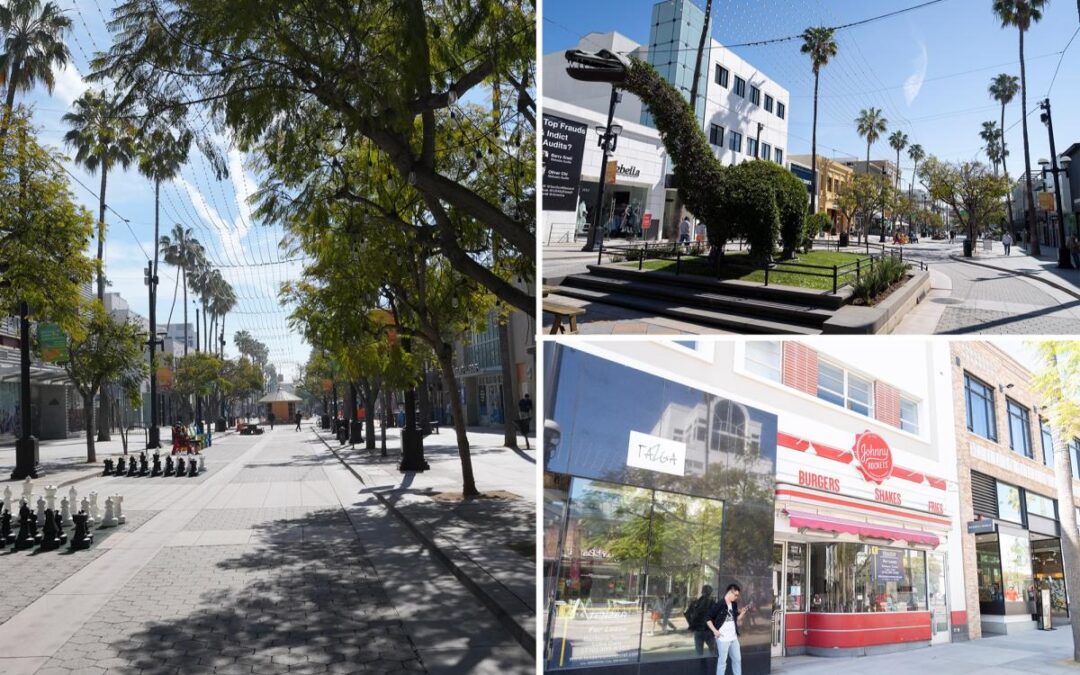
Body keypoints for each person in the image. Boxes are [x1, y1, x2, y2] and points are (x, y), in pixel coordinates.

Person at [707, 584, 748, 675]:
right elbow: (708, 618)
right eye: (735, 595)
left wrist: (743, 613)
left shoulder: (734, 604)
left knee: (737, 660)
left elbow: (735, 619)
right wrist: (715, 631)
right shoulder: (720, 604)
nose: (736, 597)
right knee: (722, 662)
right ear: (730, 592)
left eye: (737, 595)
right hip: (723, 638)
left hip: (733, 638)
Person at [685, 584, 717, 657]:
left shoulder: (695, 603)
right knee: (713, 652)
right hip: (708, 631)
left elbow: (687, 614)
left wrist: (692, 624)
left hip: (699, 631)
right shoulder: (713, 603)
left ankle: (701, 666)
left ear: (702, 592)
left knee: (699, 653)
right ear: (710, 593)